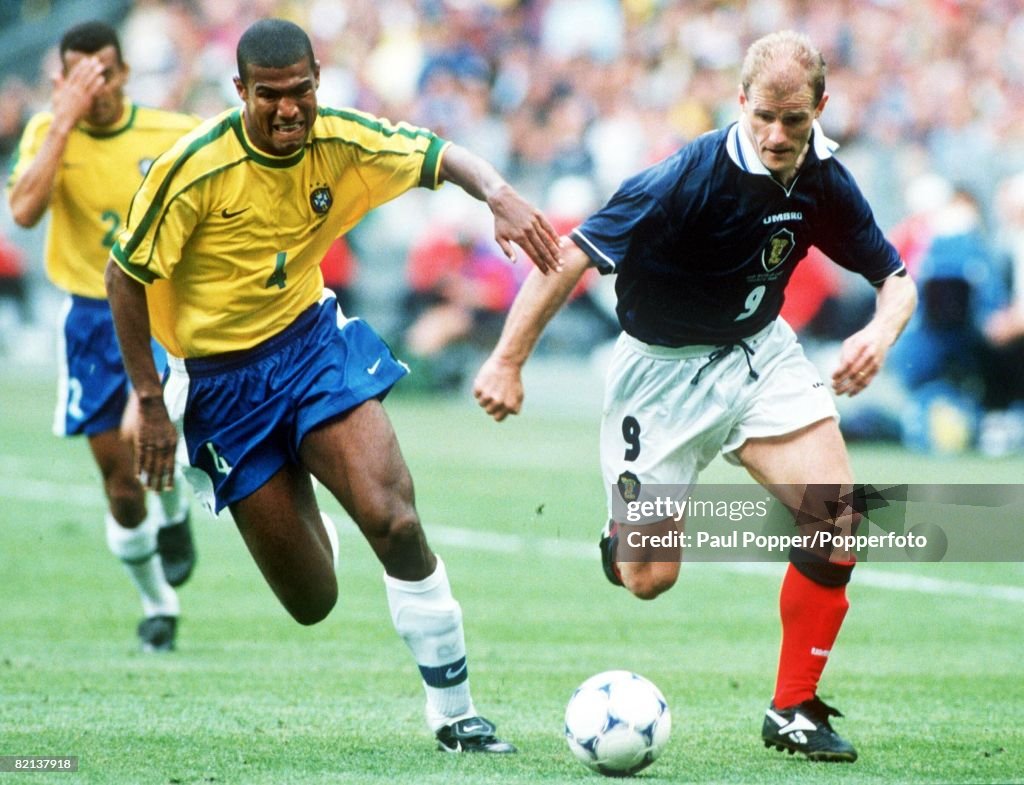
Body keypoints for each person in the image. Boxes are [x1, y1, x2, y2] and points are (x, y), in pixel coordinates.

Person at [104, 18, 560, 752]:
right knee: (314, 600)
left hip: (312, 345)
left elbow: (438, 155)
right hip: (219, 384)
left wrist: (499, 194)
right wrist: (152, 404)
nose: (289, 111)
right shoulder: (194, 168)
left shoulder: (341, 137)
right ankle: (307, 501)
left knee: (397, 519)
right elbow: (123, 277)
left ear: (319, 80)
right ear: (241, 92)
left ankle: (455, 713)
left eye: (302, 93)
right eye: (270, 96)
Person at [474, 30, 917, 763]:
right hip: (661, 377)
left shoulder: (825, 178)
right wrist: (506, 361)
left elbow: (895, 279)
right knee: (649, 578)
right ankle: (621, 540)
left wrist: (879, 334)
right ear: (740, 102)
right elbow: (568, 258)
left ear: (820, 109)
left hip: (759, 356)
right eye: (764, 118)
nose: (778, 136)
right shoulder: (683, 178)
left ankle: (794, 708)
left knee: (837, 513)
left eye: (795, 121)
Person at [6, 21, 198, 653]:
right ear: (62, 82)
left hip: (158, 313)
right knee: (119, 485)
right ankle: (157, 604)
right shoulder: (46, 133)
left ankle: (173, 516)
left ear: (125, 73)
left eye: (108, 73)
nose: (101, 88)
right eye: (84, 77)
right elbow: (25, 212)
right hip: (90, 320)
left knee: (136, 432)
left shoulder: (169, 132)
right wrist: (61, 122)